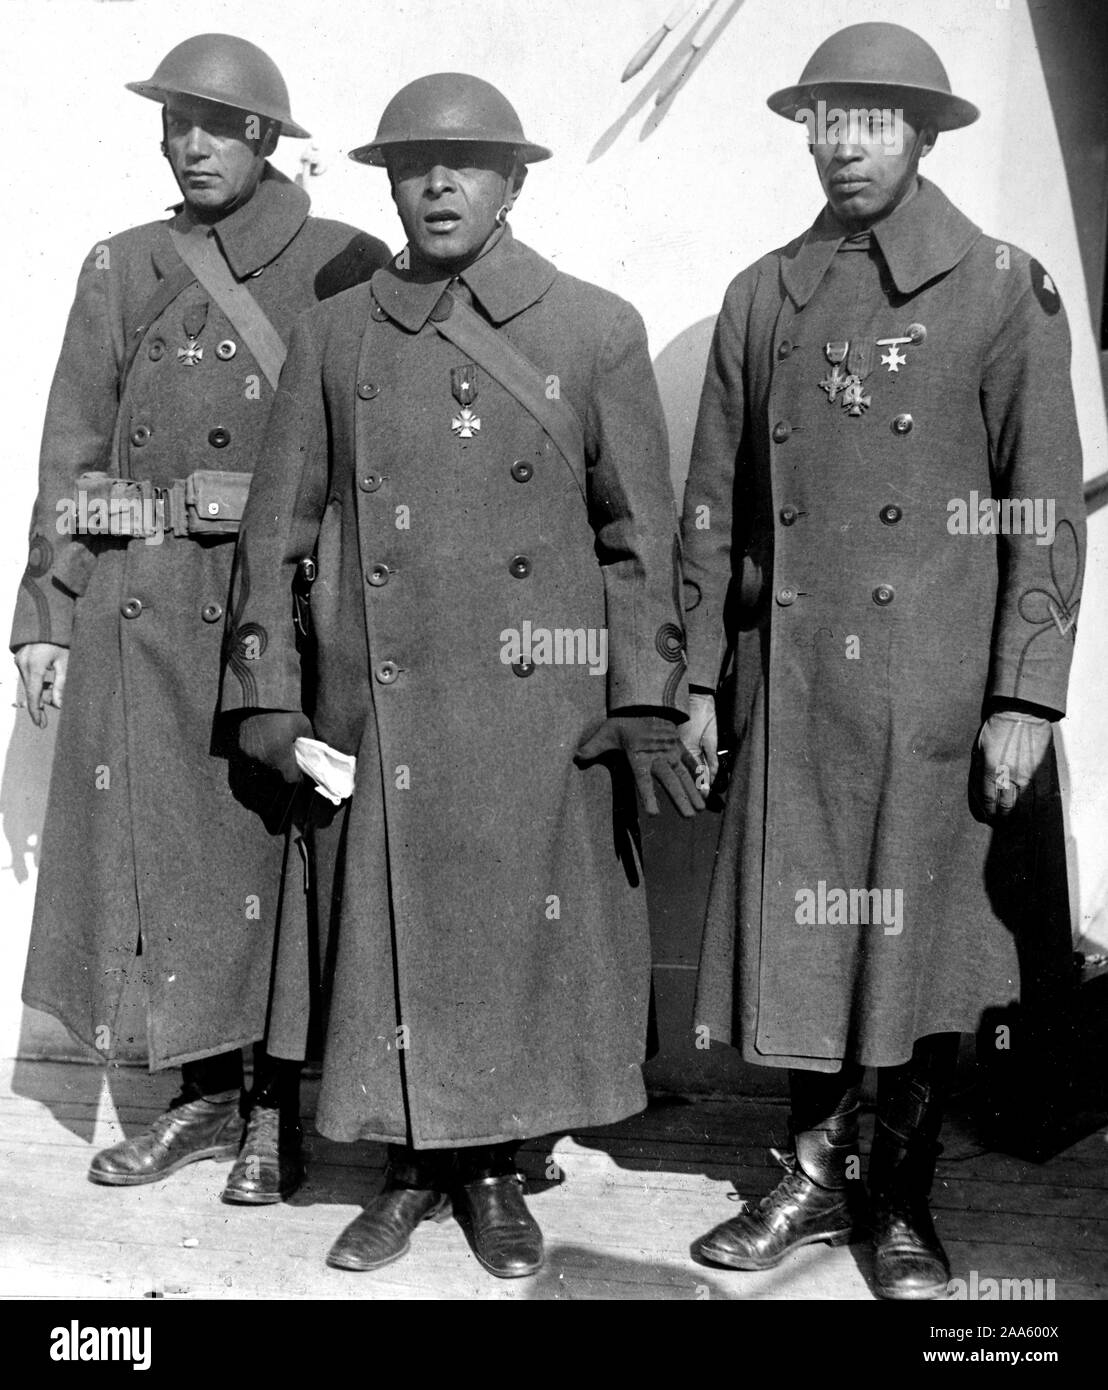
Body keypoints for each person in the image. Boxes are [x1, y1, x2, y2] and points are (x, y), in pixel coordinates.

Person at [222, 71, 702, 1278]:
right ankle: (407, 1166)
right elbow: (277, 522)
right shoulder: (338, 333)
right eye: (411, 166)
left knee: (508, 938)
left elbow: (638, 532)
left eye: (466, 164)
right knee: (390, 939)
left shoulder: (592, 328)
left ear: (514, 181)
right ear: (388, 182)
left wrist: (639, 697)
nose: (436, 186)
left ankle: (492, 1168)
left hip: (538, 708)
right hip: (379, 703)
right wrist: (269, 697)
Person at [679, 22, 1085, 1299]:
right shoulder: (763, 293)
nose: (842, 145)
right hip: (796, 684)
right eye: (824, 119)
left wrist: (1025, 689)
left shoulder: (995, 285)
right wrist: (697, 677)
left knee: (914, 948)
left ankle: (898, 1194)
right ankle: (808, 1174)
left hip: (932, 690)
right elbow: (714, 505)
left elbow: (1041, 507)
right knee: (809, 936)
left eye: (870, 121)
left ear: (921, 134)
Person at [12, 33, 390, 1204]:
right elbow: (71, 451)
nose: (190, 145)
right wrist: (45, 613)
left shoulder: (343, 258)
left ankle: (277, 1108)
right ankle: (200, 1100)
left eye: (215, 126)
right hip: (141, 611)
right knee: (165, 859)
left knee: (274, 859)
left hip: (273, 610)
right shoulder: (122, 265)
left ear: (266, 138)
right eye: (175, 124)